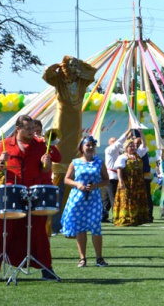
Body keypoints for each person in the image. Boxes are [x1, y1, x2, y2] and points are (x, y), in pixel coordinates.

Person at [0, 115, 62, 282]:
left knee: (37, 233)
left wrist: (47, 163)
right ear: (18, 128)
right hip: (10, 192)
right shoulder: (6, 144)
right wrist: (1, 162)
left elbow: (52, 163)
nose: (31, 132)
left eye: (32, 128)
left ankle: (46, 270)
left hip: (33, 194)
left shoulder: (40, 144)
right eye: (27, 129)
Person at [43, 56, 97, 236]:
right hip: (62, 118)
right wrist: (57, 65)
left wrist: (81, 67)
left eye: (76, 65)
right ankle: (51, 225)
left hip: (76, 119)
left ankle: (69, 224)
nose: (73, 68)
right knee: (60, 144)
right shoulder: (59, 81)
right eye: (71, 65)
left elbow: (92, 71)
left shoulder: (82, 81)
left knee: (75, 144)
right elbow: (46, 74)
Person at [61, 136, 109, 267]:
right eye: (88, 145)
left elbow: (106, 179)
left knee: (96, 227)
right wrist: (77, 184)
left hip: (93, 199)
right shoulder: (75, 162)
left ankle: (99, 258)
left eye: (92, 145)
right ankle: (82, 258)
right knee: (80, 228)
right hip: (78, 199)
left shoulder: (99, 162)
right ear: (82, 147)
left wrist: (95, 185)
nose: (90, 147)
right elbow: (66, 179)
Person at [112, 137, 150, 227]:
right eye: (130, 146)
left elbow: (144, 145)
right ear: (126, 148)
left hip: (138, 182)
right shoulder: (122, 157)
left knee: (137, 199)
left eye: (133, 146)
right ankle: (126, 218)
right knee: (126, 199)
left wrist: (141, 133)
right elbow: (119, 169)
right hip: (128, 181)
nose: (132, 148)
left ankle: (137, 218)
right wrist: (121, 181)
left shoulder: (137, 155)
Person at [102, 129, 130, 223]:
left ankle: (103, 215)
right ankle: (117, 217)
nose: (115, 143)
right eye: (113, 141)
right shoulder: (109, 150)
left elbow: (125, 147)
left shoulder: (119, 151)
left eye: (115, 140)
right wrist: (127, 131)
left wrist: (128, 137)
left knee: (107, 198)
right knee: (114, 197)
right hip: (111, 177)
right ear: (109, 143)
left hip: (116, 176)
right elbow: (119, 143)